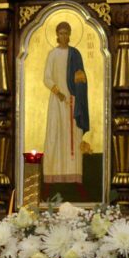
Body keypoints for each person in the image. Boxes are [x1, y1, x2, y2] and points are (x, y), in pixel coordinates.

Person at [43, 21, 89, 184]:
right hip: (57, 100)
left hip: (73, 100)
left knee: (73, 135)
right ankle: (54, 174)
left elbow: (81, 77)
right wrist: (58, 92)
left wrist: (78, 86)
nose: (64, 36)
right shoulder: (53, 54)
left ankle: (74, 174)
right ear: (57, 35)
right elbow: (47, 77)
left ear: (69, 35)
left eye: (66, 33)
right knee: (56, 133)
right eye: (61, 33)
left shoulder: (75, 54)